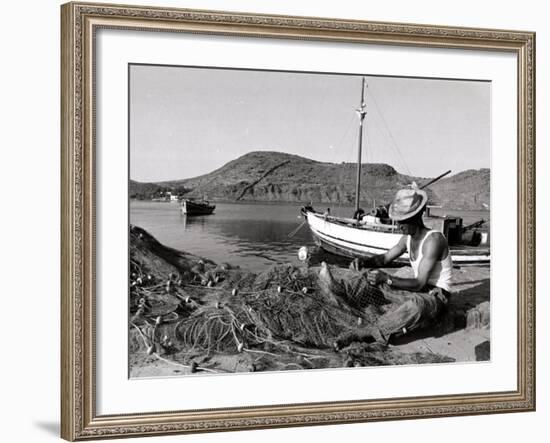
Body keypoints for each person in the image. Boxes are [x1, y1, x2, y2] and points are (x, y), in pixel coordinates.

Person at [335, 186, 453, 348]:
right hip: (418, 291)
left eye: (402, 222)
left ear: (415, 218)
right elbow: (384, 259)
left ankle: (367, 332)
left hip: (436, 297)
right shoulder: (407, 238)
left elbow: (420, 283)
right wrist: (363, 262)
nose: (398, 227)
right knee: (369, 279)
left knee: (416, 306)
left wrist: (387, 279)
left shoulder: (434, 240)